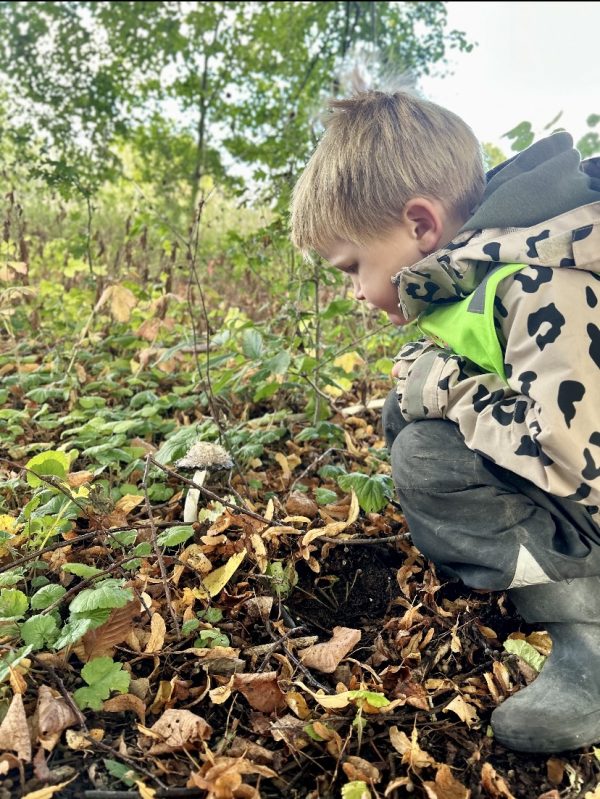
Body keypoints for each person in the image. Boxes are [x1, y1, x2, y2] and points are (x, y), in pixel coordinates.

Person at [289, 89, 600, 754]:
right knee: (408, 413)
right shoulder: (485, 271)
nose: (355, 293)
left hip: (587, 484)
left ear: (421, 225)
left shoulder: (542, 282)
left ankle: (591, 640)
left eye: (353, 268)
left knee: (428, 451)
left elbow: (575, 460)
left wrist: (449, 384)